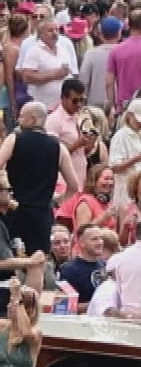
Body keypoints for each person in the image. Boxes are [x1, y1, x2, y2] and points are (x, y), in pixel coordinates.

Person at [0, 100, 83, 255]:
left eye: (22, 116)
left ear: (32, 119)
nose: (18, 120)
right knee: (38, 261)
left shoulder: (15, 139)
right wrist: (57, 200)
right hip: (42, 212)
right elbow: (73, 185)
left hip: (15, 209)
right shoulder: (58, 146)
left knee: (12, 258)